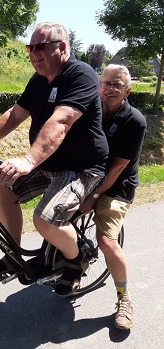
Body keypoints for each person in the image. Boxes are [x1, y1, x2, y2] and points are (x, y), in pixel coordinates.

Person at [0, 22, 108, 296]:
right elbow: (16, 114)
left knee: (45, 219)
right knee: (5, 187)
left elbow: (62, 120)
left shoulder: (80, 75)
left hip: (81, 167)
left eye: (40, 47)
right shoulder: (38, 80)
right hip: (49, 163)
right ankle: (12, 255)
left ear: (62, 47)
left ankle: (75, 259)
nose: (33, 53)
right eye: (29, 48)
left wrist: (29, 160)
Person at [80, 64, 146, 330]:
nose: (109, 89)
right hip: (88, 175)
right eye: (105, 83)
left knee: (106, 240)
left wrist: (94, 196)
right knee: (53, 214)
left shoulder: (134, 121)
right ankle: (69, 263)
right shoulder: (90, 109)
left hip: (117, 185)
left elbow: (118, 167)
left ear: (127, 90)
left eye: (116, 85)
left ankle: (124, 298)